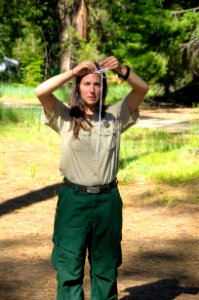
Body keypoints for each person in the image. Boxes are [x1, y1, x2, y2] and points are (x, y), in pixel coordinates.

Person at [35, 55, 148, 300]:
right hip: (73, 200)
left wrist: (121, 69)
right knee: (68, 265)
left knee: (106, 267)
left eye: (97, 84)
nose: (92, 89)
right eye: (86, 83)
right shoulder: (65, 116)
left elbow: (142, 88)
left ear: (103, 88)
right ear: (78, 87)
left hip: (107, 201)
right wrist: (73, 71)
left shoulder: (115, 116)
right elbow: (41, 91)